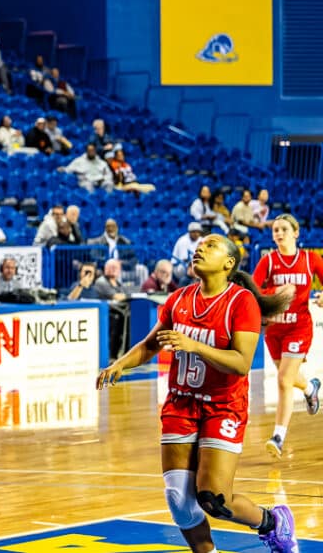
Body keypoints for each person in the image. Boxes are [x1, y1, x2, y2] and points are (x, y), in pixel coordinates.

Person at [97, 234, 299, 553]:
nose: (200, 249)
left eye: (211, 245)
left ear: (229, 263)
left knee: (213, 498)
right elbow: (152, 344)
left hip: (223, 406)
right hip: (181, 403)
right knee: (178, 500)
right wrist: (120, 364)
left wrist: (195, 346)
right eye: (199, 245)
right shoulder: (178, 299)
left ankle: (273, 523)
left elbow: (241, 363)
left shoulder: (241, 302)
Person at [251, 214, 323, 458]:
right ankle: (310, 388)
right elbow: (253, 291)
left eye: (283, 229)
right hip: (274, 330)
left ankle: (278, 436)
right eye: (275, 230)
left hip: (299, 328)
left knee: (283, 379)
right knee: (289, 377)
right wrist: (275, 292)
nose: (278, 233)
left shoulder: (310, 259)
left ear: (296, 232)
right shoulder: (268, 261)